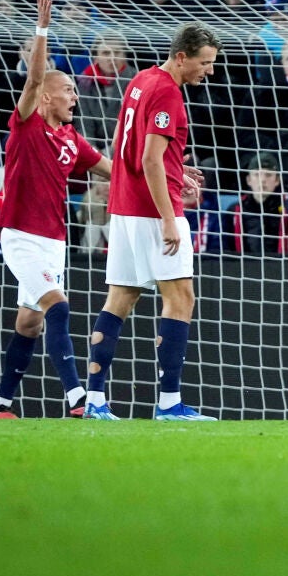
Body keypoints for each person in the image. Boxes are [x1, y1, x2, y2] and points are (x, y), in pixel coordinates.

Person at [82, 23, 222, 421]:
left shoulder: (140, 79)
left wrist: (176, 168)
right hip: (151, 210)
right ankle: (169, 404)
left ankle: (94, 401)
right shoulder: (167, 93)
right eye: (204, 63)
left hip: (124, 206)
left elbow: (125, 143)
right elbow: (148, 159)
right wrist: (168, 219)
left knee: (120, 298)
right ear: (181, 57)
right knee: (181, 298)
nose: (209, 71)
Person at [0, 0, 113, 418]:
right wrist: (42, 29)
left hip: (54, 241)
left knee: (30, 322)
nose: (74, 96)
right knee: (57, 307)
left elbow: (115, 171)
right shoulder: (26, 124)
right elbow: (34, 80)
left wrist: (171, 175)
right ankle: (78, 398)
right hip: (21, 236)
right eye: (68, 90)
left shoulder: (71, 139)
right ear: (46, 97)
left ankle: (1, 406)